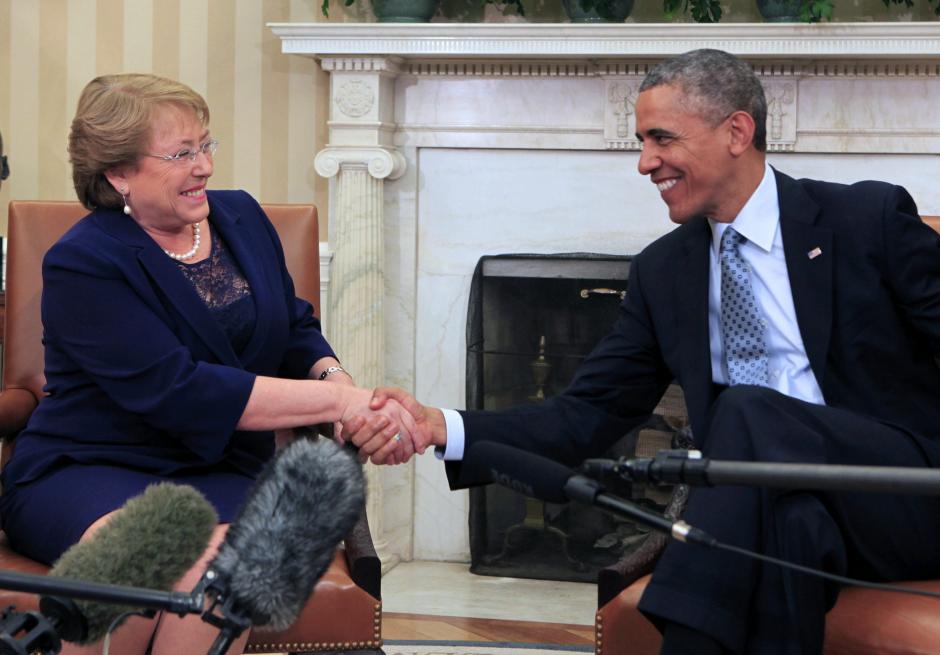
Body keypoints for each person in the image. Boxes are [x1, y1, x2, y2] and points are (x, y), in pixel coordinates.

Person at [363, 49, 940, 654]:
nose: (645, 163)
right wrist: (438, 427)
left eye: (661, 138)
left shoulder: (864, 219)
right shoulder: (665, 272)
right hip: (785, 510)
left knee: (747, 410)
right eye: (640, 141)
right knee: (789, 524)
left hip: (903, 497)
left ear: (737, 132)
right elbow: (583, 415)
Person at [0, 74, 418, 655]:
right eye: (180, 154)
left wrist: (340, 386)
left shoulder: (241, 217)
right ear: (118, 173)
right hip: (92, 468)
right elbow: (181, 390)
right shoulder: (84, 262)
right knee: (148, 559)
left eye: (205, 146)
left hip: (224, 471)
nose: (204, 167)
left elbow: (293, 328)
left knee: (225, 568)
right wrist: (340, 404)